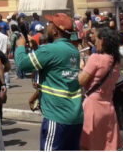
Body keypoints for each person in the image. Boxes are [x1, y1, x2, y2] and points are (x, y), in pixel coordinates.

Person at [15, 13, 83, 151]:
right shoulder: (73, 51)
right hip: (75, 117)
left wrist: (20, 47)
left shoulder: (50, 50)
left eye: (50, 23)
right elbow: (55, 75)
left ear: (55, 30)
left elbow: (22, 64)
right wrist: (36, 49)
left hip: (57, 117)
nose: (47, 26)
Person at [79, 27, 120, 150]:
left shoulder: (96, 58)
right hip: (109, 108)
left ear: (102, 41)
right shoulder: (116, 61)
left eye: (96, 39)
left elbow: (81, 81)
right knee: (106, 146)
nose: (94, 42)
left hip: (93, 107)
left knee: (90, 145)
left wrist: (81, 69)